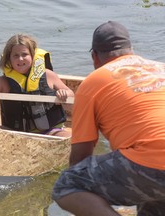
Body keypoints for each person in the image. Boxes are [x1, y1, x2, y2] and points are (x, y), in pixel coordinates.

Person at [52, 21, 165, 216]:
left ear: (94, 57)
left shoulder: (93, 82)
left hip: (150, 162)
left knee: (67, 185)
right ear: (132, 50)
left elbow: (81, 156)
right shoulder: (161, 68)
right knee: (152, 204)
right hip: (153, 166)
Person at [0, 34, 74, 137]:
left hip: (51, 131)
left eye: (24, 54)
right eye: (15, 55)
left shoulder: (48, 75)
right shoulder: (2, 82)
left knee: (66, 137)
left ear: (33, 56)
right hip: (15, 134)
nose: (20, 59)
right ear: (9, 59)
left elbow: (71, 95)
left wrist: (65, 93)